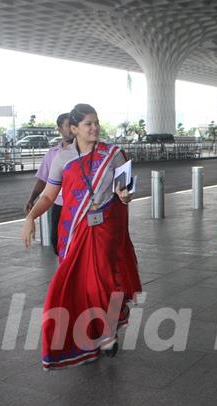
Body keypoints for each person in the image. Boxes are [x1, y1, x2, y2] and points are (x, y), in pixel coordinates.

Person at [22, 104, 141, 370]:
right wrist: (31, 217)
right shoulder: (61, 158)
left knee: (106, 280)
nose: (95, 128)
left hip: (107, 228)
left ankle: (108, 330)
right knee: (78, 285)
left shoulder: (113, 155)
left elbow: (128, 186)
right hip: (74, 230)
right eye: (88, 124)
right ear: (74, 129)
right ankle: (90, 334)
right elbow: (50, 195)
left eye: (97, 122)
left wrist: (125, 194)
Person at [24, 113, 72, 255]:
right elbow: (42, 179)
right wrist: (32, 199)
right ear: (59, 129)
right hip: (59, 205)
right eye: (68, 125)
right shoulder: (52, 154)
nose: (72, 129)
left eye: (74, 125)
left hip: (79, 206)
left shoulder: (85, 152)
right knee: (57, 242)